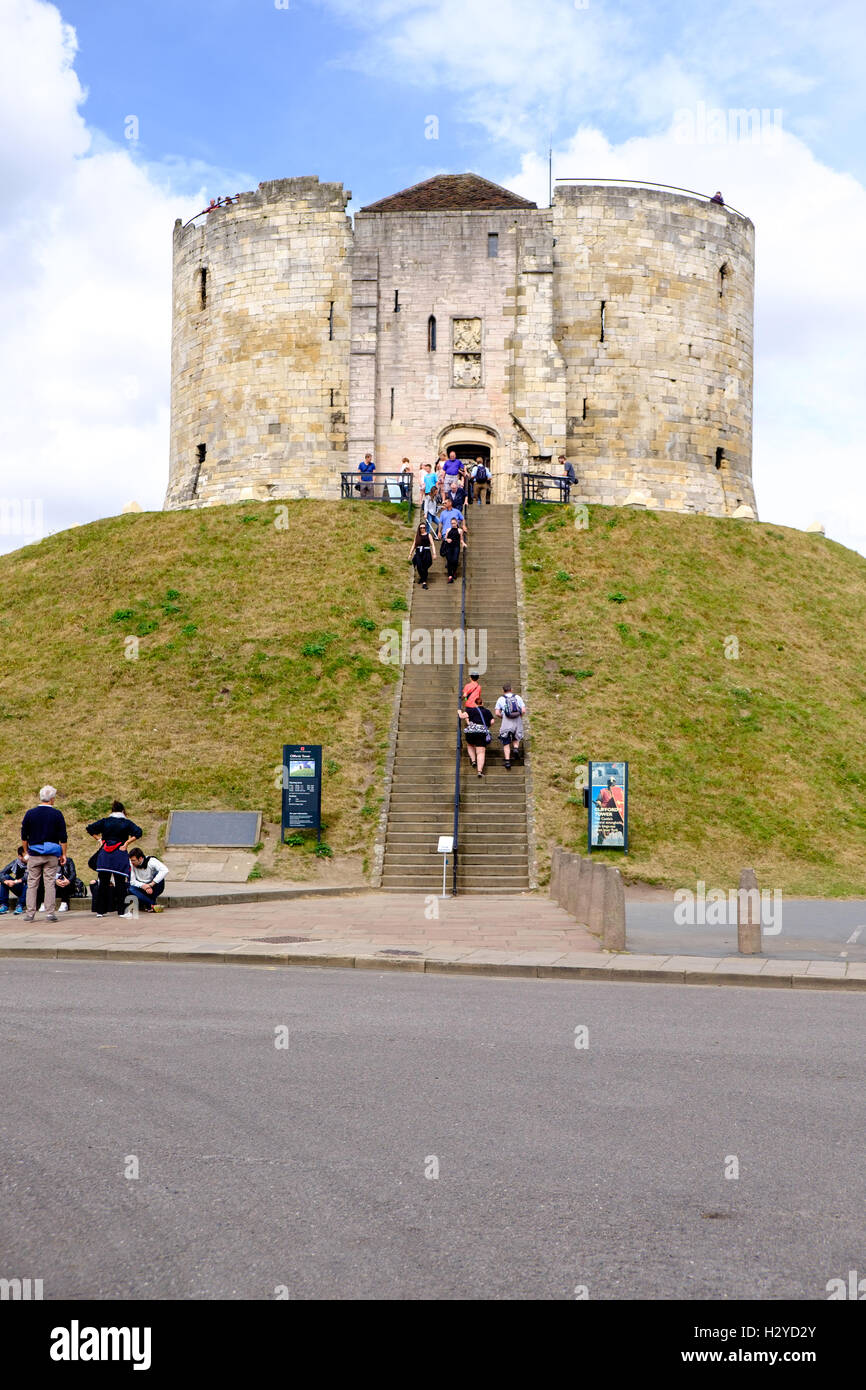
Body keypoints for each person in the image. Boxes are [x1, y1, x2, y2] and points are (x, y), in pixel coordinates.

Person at [86, 801, 143, 917]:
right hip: (119, 853)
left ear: (112, 811)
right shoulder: (126, 823)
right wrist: (126, 843)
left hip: (105, 854)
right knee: (120, 883)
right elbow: (138, 832)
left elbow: (90, 828)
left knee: (103, 883)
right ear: (123, 811)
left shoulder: (105, 821)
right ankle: (122, 911)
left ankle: (100, 911)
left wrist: (100, 840)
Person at [21, 785, 68, 922]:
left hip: (34, 853)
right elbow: (63, 837)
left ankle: (30, 913)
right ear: (52, 799)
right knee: (49, 883)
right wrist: (63, 854)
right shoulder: (57, 814)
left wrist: (26, 851)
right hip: (51, 853)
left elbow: (24, 835)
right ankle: (50, 913)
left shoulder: (30, 813)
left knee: (32, 883)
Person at [494, 683, 527, 769]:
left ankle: (507, 761)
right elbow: (523, 710)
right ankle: (515, 749)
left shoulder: (501, 699)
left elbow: (497, 713)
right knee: (516, 737)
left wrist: (503, 716)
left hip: (506, 721)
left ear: (503, 691)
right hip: (517, 720)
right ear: (511, 690)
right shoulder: (518, 697)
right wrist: (519, 716)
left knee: (506, 741)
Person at [457, 701, 494, 777]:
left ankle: (473, 760)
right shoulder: (487, 711)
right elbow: (492, 721)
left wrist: (459, 711)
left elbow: (462, 716)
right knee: (480, 752)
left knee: (470, 745)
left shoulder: (471, 710)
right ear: (482, 703)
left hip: (471, 732)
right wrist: (487, 725)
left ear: (475, 703)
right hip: (481, 732)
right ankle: (479, 771)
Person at [0, 846, 28, 914]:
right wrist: (5, 881)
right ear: (20, 856)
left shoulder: (33, 863)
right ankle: (4, 905)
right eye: (25, 856)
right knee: (5, 878)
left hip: (30, 889)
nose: (28, 857)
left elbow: (28, 877)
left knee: (29, 883)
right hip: (18, 887)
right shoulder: (16, 863)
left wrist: (15, 882)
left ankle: (20, 905)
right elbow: (2, 873)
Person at [408, 520, 435, 589]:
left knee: (425, 567)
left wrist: (434, 553)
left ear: (425, 528)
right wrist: (410, 554)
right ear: (419, 529)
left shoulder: (428, 535)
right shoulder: (417, 536)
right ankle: (424, 582)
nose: (422, 529)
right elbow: (414, 545)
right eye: (421, 528)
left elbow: (432, 544)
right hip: (419, 552)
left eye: (423, 527)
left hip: (426, 552)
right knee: (419, 566)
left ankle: (423, 580)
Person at [440, 516, 465, 583]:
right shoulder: (448, 529)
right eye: (452, 523)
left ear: (457, 523)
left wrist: (463, 544)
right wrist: (447, 539)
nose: (453, 524)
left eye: (454, 523)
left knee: (455, 560)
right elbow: (444, 538)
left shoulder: (460, 530)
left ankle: (454, 572)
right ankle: (450, 576)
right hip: (449, 547)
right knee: (449, 561)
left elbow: (461, 539)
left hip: (456, 546)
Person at [422, 464, 440, 536]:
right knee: (428, 525)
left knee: (440, 523)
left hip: (433, 513)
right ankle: (427, 537)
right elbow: (426, 506)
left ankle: (436, 535)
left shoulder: (435, 498)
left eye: (427, 468)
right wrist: (425, 514)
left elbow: (435, 507)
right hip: (429, 513)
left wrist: (441, 507)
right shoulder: (428, 497)